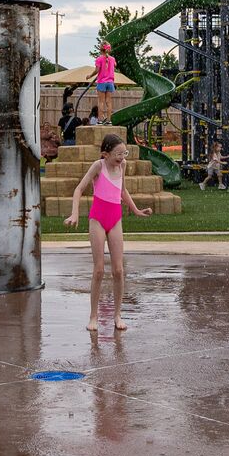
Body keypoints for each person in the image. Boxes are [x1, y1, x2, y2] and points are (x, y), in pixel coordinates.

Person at [64, 131, 151, 332]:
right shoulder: (98, 166)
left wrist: (136, 210)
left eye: (124, 153)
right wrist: (75, 213)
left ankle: (117, 315)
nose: (122, 157)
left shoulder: (123, 165)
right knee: (99, 270)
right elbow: (79, 189)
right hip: (98, 219)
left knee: (118, 270)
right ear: (106, 154)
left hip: (115, 218)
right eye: (118, 154)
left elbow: (122, 190)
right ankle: (93, 316)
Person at [92, 42, 118, 121]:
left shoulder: (99, 59)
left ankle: (100, 120)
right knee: (108, 102)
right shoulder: (112, 59)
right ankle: (109, 120)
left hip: (102, 82)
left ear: (100, 49)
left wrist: (90, 75)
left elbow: (97, 70)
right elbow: (115, 65)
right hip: (110, 82)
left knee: (101, 102)